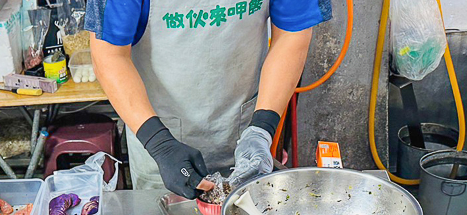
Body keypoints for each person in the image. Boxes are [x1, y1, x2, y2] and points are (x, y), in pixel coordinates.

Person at [85, 0, 332, 198]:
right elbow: (109, 55)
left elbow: (292, 33)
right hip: (157, 133)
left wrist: (261, 129)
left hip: (245, 125)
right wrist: (159, 144)